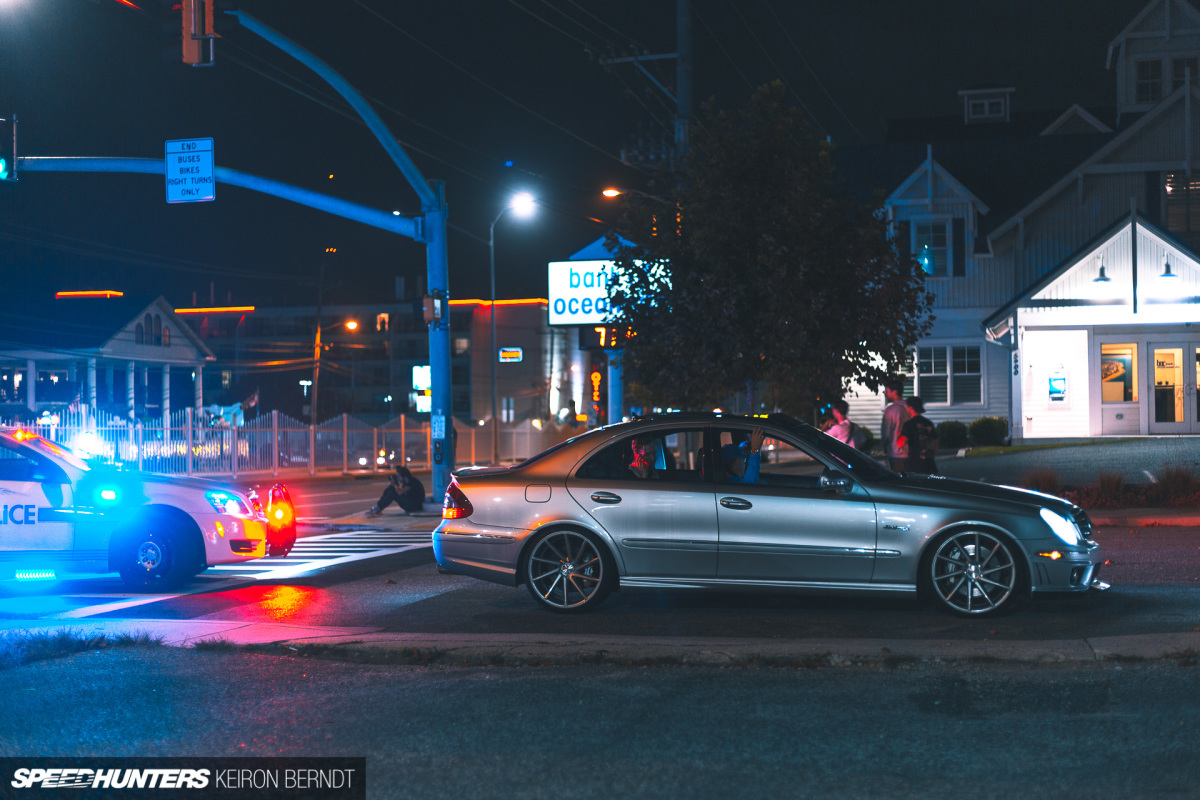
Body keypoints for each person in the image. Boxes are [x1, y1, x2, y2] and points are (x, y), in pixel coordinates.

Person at [901, 396, 938, 475]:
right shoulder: (928, 423)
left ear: (910, 407)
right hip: (929, 464)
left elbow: (901, 443)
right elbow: (935, 442)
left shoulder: (908, 424)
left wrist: (899, 434)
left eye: (906, 405)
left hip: (914, 465)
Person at [881, 376, 911, 472]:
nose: (885, 394)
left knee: (899, 480)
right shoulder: (910, 408)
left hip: (896, 452)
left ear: (894, 392)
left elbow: (886, 433)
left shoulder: (890, 410)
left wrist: (884, 445)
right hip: (911, 451)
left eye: (887, 391)